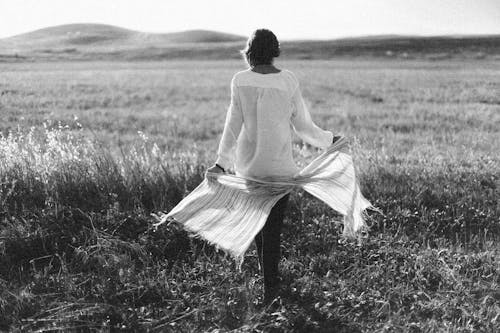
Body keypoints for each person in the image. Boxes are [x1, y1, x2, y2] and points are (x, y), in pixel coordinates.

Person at [206, 29, 340, 304]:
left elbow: (233, 125)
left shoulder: (240, 80)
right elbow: (303, 126)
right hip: (280, 169)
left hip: (251, 171)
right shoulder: (288, 80)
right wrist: (330, 140)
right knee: (273, 230)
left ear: (250, 51)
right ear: (275, 50)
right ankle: (271, 286)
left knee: (258, 226)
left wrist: (221, 163)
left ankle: (268, 282)